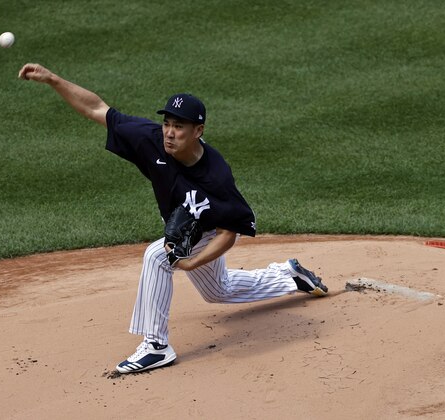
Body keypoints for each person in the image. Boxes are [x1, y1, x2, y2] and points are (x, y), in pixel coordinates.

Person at [18, 63, 329, 374]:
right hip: (186, 228)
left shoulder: (216, 176)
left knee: (157, 257)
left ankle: (156, 346)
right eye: (167, 123)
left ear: (198, 131)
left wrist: (192, 262)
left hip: (207, 231)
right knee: (218, 290)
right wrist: (53, 79)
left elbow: (228, 232)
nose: (169, 132)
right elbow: (98, 109)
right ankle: (288, 276)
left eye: (179, 126)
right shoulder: (151, 140)